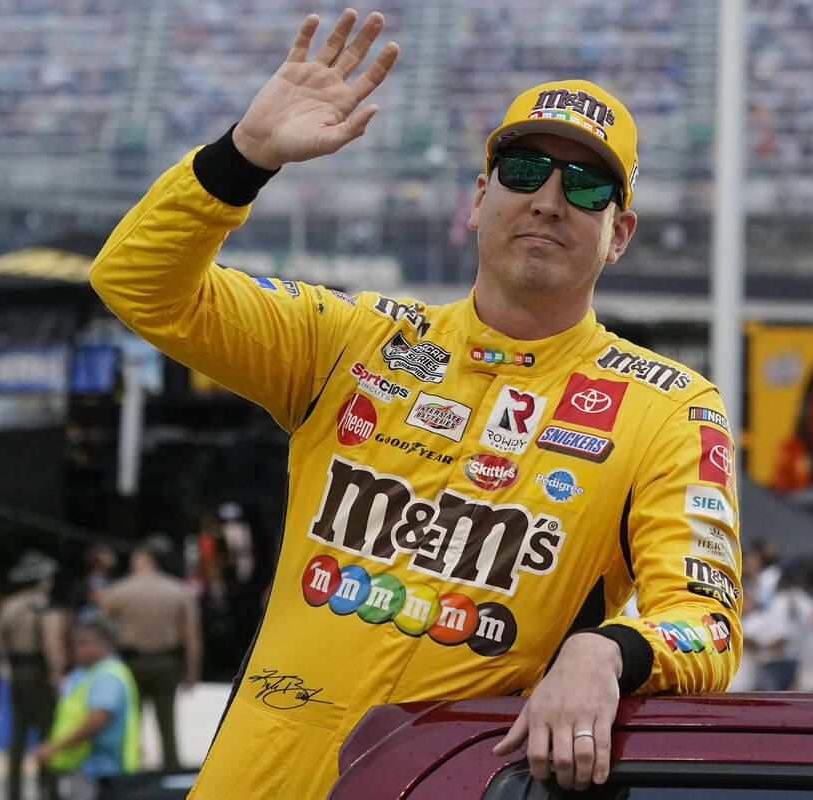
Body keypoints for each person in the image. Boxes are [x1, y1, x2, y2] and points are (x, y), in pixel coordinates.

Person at [89, 10, 742, 796]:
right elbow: (136, 284)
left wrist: (606, 652)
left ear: (620, 233)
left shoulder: (670, 407)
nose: (549, 198)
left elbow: (707, 622)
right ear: (477, 199)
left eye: (588, 184)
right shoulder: (355, 339)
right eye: (525, 170)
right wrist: (244, 158)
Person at [97, 535, 202, 769]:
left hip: (130, 664)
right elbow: (192, 638)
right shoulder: (178, 590)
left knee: (130, 724)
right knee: (167, 724)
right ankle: (171, 773)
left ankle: (130, 776)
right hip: (166, 663)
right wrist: (192, 671)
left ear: (142, 558)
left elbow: (100, 632)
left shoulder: (117, 591)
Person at [0, 550, 68, 800]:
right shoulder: (42, 607)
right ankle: (49, 790)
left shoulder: (9, 605)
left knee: (18, 736)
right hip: (39, 671)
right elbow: (52, 644)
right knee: (48, 732)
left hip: (16, 670)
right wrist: (57, 674)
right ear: (41, 579)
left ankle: (14, 792)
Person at [34, 619, 140, 800]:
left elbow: (98, 718)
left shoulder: (107, 675)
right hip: (93, 767)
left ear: (103, 644)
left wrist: (56, 747)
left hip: (102, 770)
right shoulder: (91, 672)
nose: (77, 648)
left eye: (83, 643)